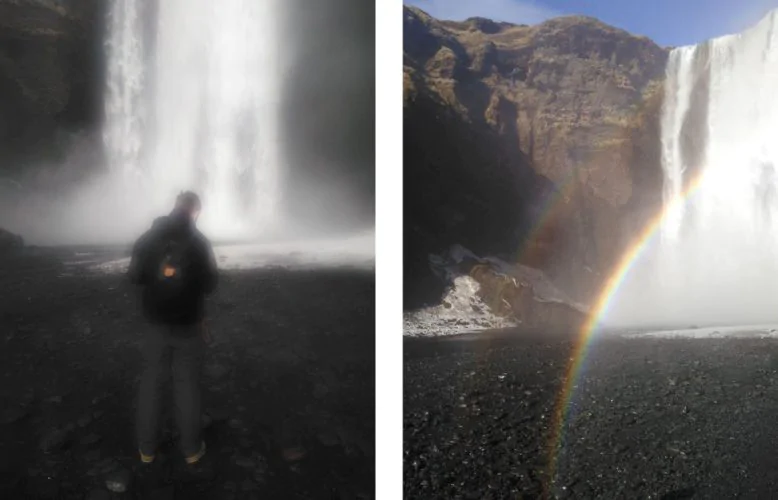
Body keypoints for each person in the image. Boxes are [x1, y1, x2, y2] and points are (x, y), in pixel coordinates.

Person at [127, 191, 218, 480]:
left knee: (151, 382)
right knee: (187, 383)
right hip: (189, 324)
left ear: (175, 206)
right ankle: (192, 450)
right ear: (195, 211)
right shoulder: (200, 242)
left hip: (156, 322)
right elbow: (211, 284)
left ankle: (147, 450)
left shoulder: (149, 237)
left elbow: (134, 277)